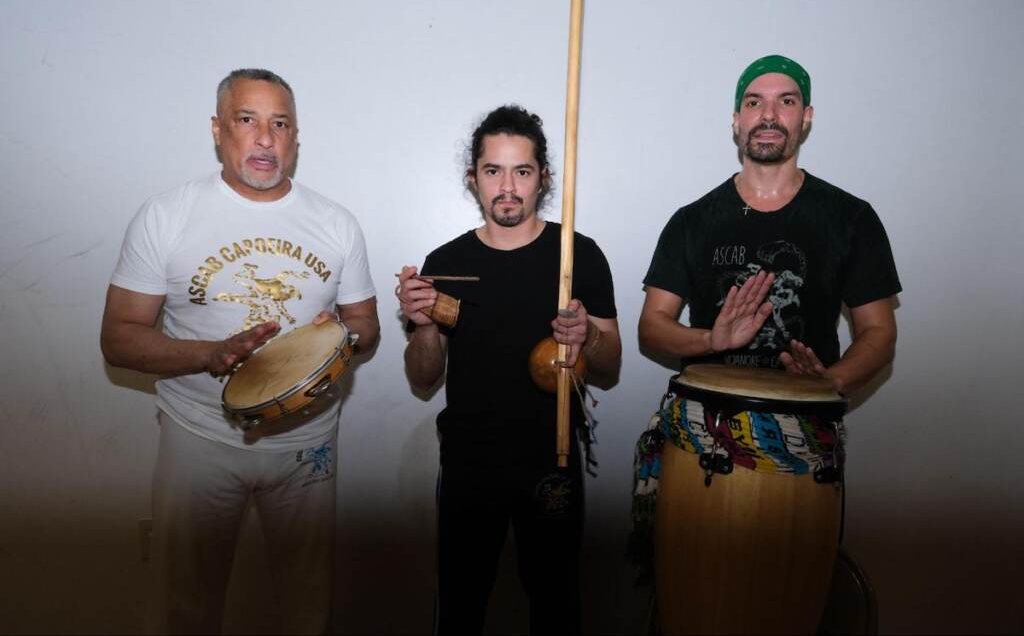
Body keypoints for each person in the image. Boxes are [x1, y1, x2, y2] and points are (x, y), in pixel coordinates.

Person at [100, 68, 379, 635]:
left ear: (296, 137)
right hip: (199, 439)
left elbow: (366, 324)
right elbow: (119, 337)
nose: (264, 138)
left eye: (280, 124)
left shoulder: (337, 224)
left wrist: (336, 341)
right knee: (183, 605)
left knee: (308, 605)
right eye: (247, 120)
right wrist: (209, 354)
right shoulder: (167, 216)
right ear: (218, 130)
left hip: (306, 445)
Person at [634, 55, 900, 633]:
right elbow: (652, 327)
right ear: (736, 121)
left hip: (806, 444)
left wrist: (832, 380)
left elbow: (879, 333)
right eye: (754, 102)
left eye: (784, 101)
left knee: (785, 607)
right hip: (705, 435)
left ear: (806, 118)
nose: (768, 114)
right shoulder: (692, 220)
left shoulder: (850, 218)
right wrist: (711, 337)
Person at [396, 105, 621, 634]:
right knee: (460, 603)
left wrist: (586, 335)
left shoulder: (579, 256)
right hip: (470, 463)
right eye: (493, 171)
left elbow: (609, 365)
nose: (508, 187)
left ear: (543, 177)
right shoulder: (445, 261)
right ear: (473, 177)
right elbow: (424, 378)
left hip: (553, 457)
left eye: (522, 171)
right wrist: (425, 326)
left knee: (556, 603)